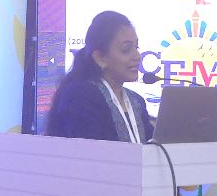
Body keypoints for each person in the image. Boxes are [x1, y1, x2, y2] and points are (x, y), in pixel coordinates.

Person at [45, 10, 153, 142]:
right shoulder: (81, 97)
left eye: (137, 47)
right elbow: (89, 150)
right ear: (100, 58)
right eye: (126, 49)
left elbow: (153, 147)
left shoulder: (137, 101)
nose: (137, 56)